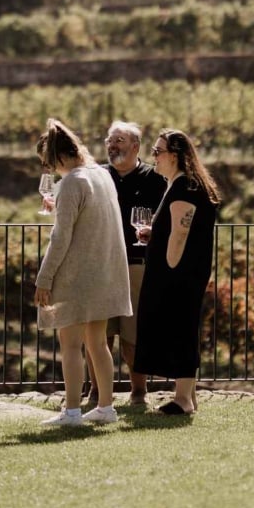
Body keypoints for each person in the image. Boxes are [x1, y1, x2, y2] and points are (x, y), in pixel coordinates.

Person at [32, 118, 133, 426]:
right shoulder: (102, 175)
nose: (50, 171)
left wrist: (44, 279)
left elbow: (60, 238)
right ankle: (105, 407)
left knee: (71, 344)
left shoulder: (73, 181)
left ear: (59, 158)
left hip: (76, 276)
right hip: (104, 272)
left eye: (48, 165)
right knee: (97, 342)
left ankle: (72, 411)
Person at [132, 128, 221, 416]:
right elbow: (173, 229)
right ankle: (188, 397)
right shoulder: (184, 184)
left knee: (181, 330)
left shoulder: (185, 187)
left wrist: (168, 271)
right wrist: (153, 235)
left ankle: (182, 399)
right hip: (183, 272)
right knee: (183, 329)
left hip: (178, 275)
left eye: (158, 152)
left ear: (176, 155)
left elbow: (180, 234)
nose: (153, 157)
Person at [95, 121, 167, 407]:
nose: (113, 146)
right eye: (110, 141)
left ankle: (139, 390)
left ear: (135, 146)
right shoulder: (98, 176)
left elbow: (166, 218)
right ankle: (98, 391)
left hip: (137, 264)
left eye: (120, 141)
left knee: (132, 333)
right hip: (101, 263)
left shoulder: (155, 178)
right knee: (100, 332)